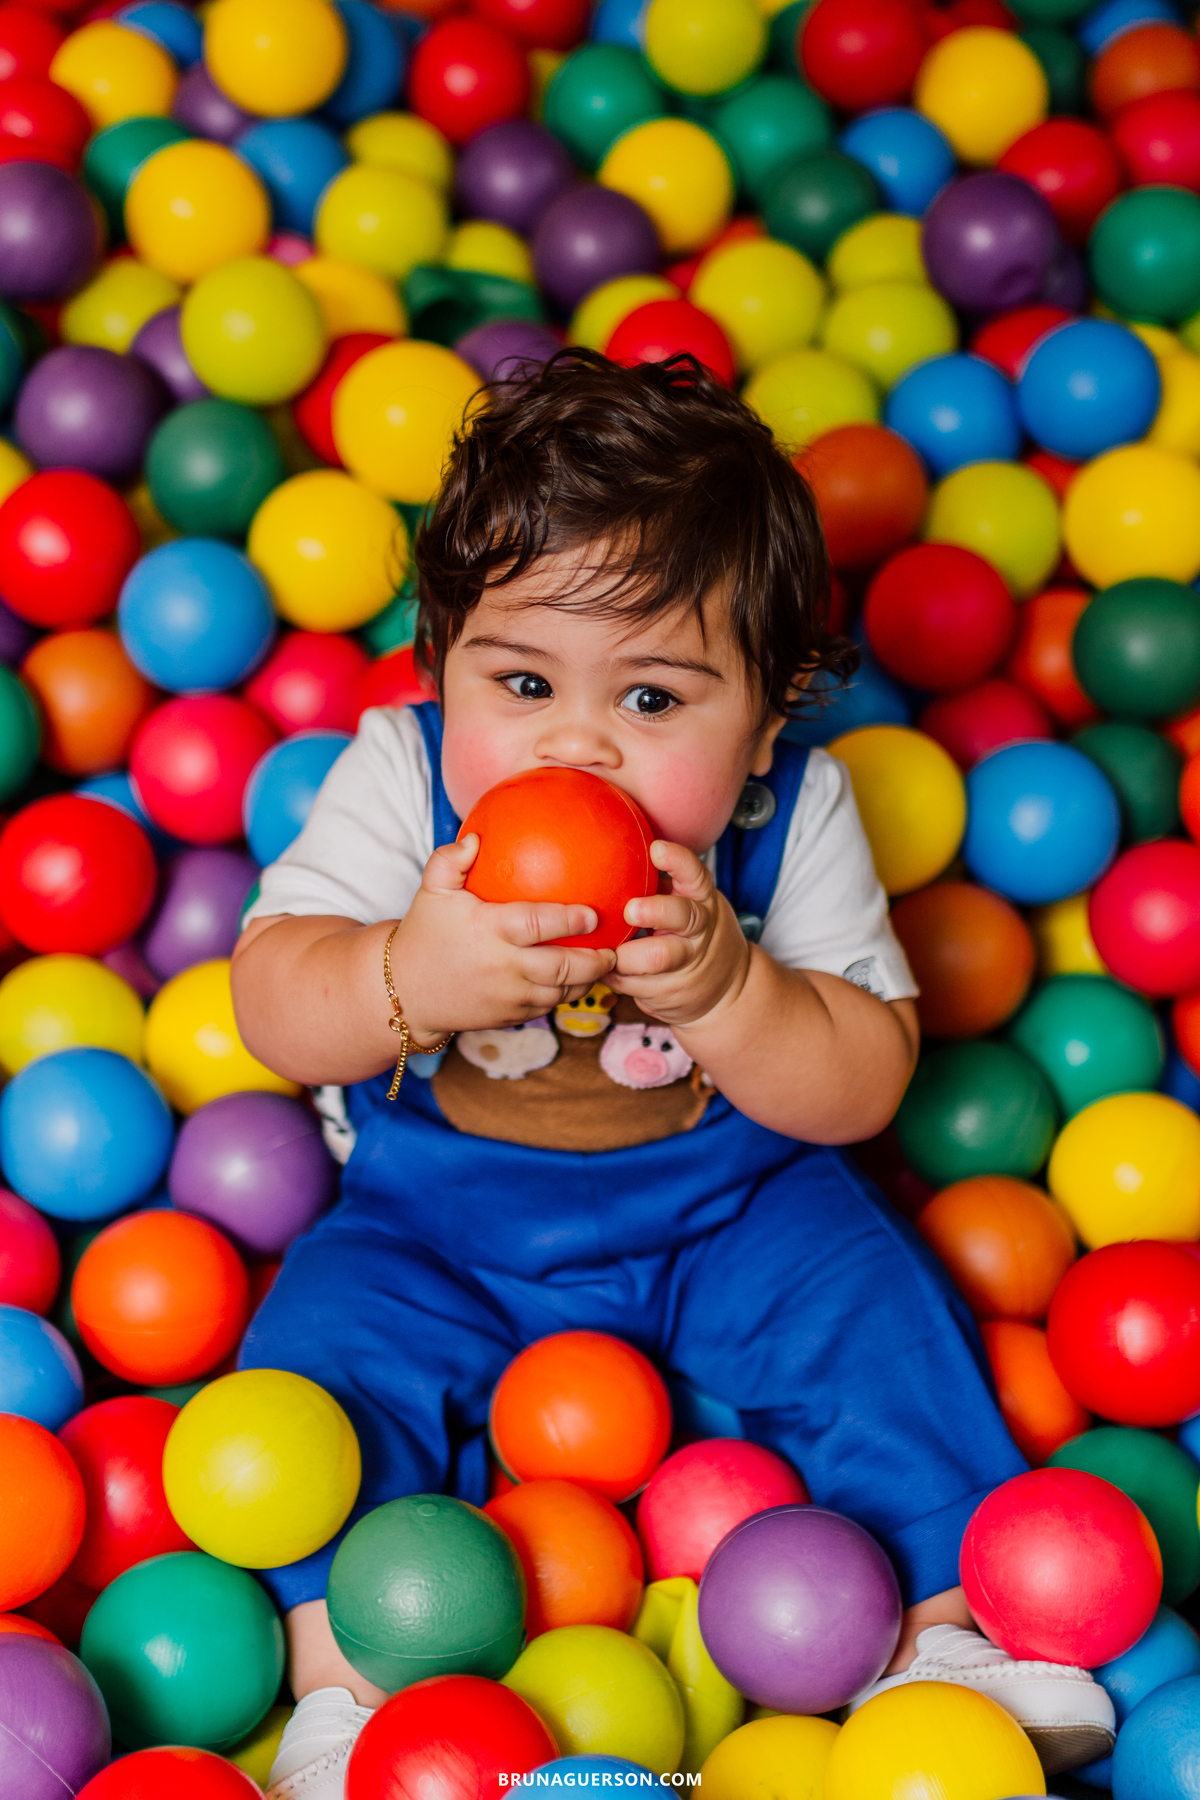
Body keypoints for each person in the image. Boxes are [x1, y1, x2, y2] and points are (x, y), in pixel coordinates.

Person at [231, 352, 1113, 1798]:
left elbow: (865, 1083)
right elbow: (273, 1002)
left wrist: (730, 991)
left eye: (652, 698)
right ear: (438, 667)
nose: (577, 743)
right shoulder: (396, 775)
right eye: (522, 682)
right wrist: (411, 975)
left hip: (731, 1214)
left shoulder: (797, 809)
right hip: (436, 1228)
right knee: (322, 1362)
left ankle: (944, 1639)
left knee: (874, 1304)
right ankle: (352, 1693)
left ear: (764, 723)